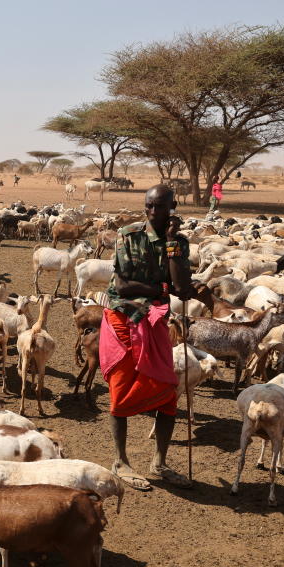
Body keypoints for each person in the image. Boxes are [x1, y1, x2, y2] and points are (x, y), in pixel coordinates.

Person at [101, 184, 194, 491]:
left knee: (167, 390)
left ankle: (160, 462)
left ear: (173, 207)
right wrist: (157, 291)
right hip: (123, 317)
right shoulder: (128, 234)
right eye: (149, 207)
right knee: (121, 389)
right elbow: (124, 286)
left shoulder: (178, 241)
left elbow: (181, 287)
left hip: (154, 322)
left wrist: (169, 244)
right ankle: (121, 460)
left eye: (160, 207)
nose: (154, 212)